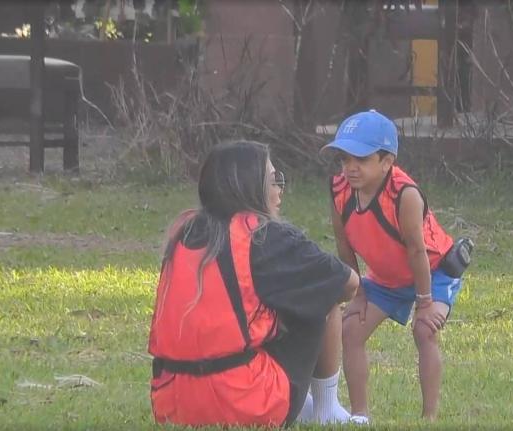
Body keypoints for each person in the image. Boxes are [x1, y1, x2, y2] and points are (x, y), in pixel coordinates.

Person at [148, 140, 359, 427]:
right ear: (252, 188)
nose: (279, 188)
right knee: (324, 293)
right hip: (243, 402)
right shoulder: (265, 235)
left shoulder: (182, 233)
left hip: (173, 402)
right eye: (274, 180)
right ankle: (327, 409)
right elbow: (347, 282)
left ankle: (298, 396)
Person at [322, 110, 471, 424]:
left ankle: (429, 417)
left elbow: (417, 251)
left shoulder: (405, 195)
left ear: (387, 161)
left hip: (434, 272)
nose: (350, 168)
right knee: (350, 329)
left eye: (360, 159)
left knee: (424, 330)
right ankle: (360, 415)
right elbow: (344, 244)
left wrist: (425, 302)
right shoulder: (338, 191)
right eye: (344, 159)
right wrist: (359, 293)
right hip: (387, 278)